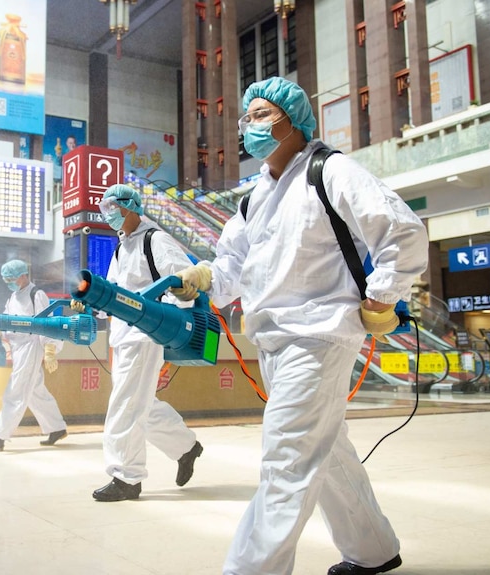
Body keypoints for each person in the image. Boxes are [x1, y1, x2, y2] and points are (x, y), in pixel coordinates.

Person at [171, 77, 428, 575]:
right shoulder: (252, 199)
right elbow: (231, 270)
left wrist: (380, 297)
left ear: (295, 120)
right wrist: (201, 277)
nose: (251, 126)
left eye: (263, 115)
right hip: (272, 340)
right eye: (246, 118)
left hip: (320, 336)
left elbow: (402, 231)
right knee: (325, 449)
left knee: (287, 460)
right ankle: (374, 550)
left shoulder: (328, 171)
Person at [71, 184, 203, 502]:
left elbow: (183, 284)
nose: (109, 215)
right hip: (123, 336)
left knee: (126, 405)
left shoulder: (154, 240)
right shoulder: (121, 248)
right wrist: (92, 303)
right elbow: (115, 292)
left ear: (131, 207)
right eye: (105, 209)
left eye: (113, 208)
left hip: (146, 334)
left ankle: (126, 477)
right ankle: (185, 447)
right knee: (140, 403)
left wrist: (175, 326)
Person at [0, 259, 68, 452]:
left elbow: (47, 323)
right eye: (6, 279)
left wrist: (50, 349)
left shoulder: (37, 294)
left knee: (16, 391)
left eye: (11, 278)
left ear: (22, 274)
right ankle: (57, 428)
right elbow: (8, 320)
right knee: (35, 391)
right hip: (18, 348)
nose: (8, 281)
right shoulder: (13, 297)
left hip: (31, 346)